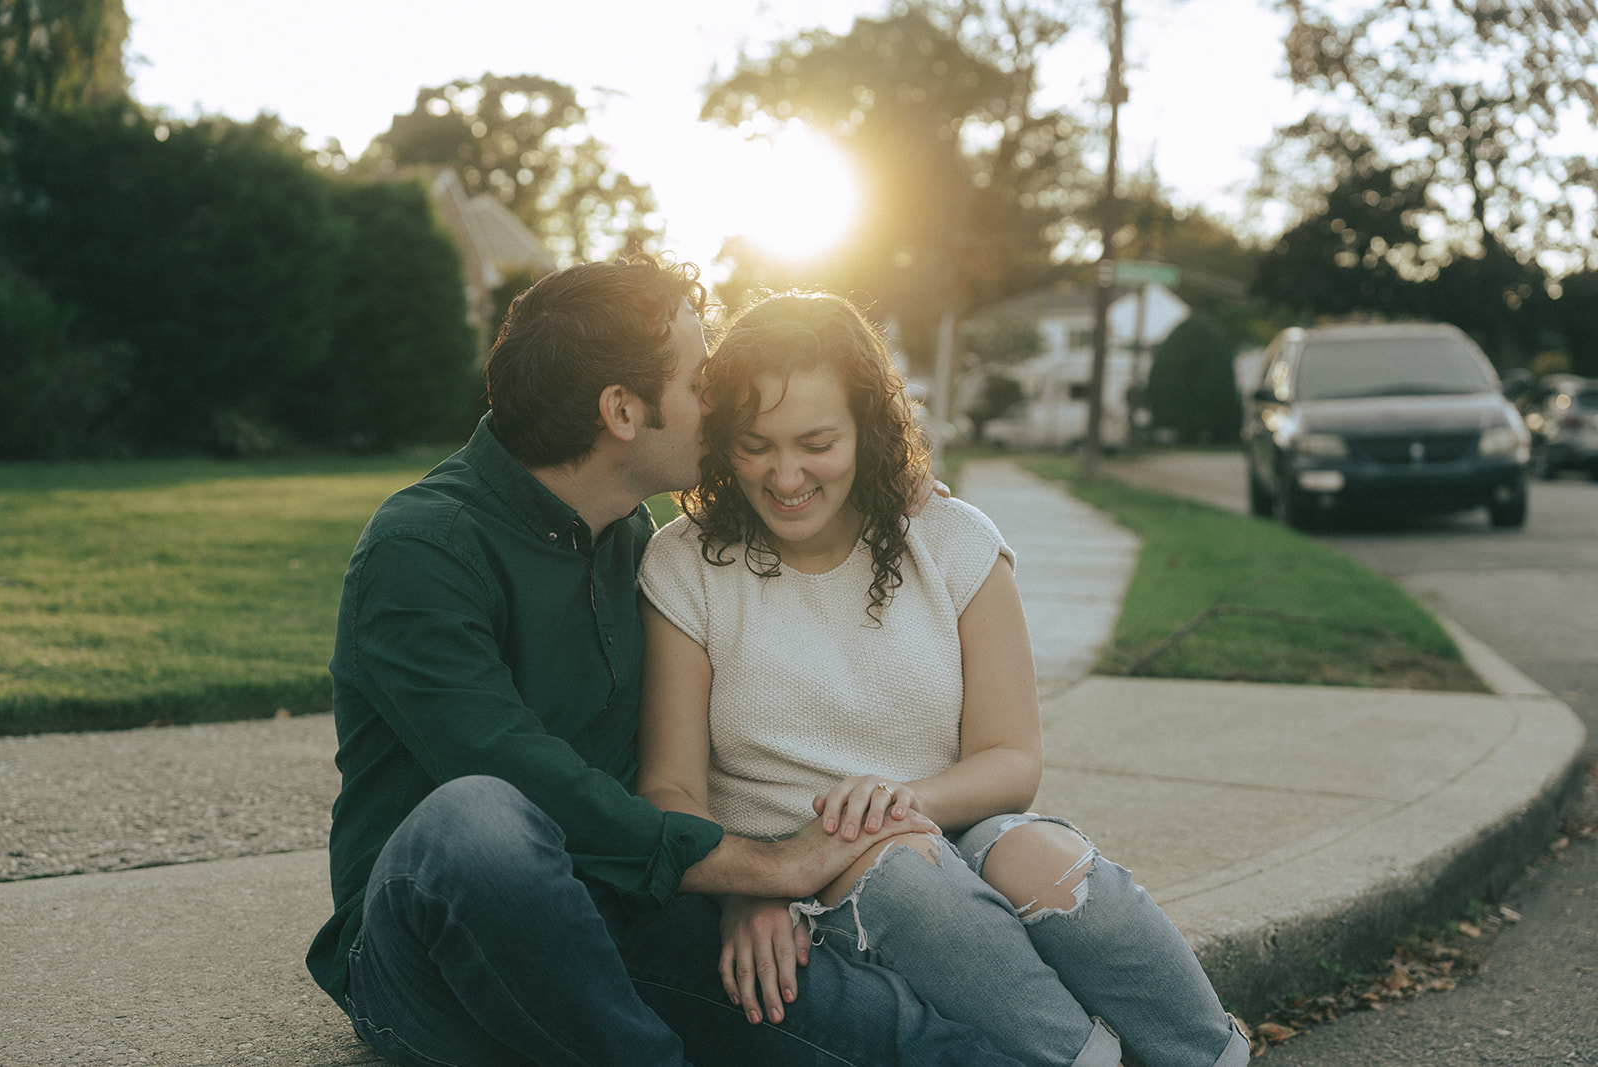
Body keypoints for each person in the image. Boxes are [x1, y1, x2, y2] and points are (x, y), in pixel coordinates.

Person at [304, 258, 1029, 1066]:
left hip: (619, 913)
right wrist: (763, 864)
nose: (721, 397)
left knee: (878, 1027)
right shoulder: (422, 548)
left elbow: (681, 758)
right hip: (436, 956)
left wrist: (737, 888)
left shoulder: (634, 542)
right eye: (699, 379)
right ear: (621, 410)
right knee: (478, 816)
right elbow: (515, 767)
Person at [636, 291, 1251, 1067]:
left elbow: (1011, 759)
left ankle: (1214, 1058)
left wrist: (896, 804)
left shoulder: (953, 539)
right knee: (897, 874)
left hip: (954, 831)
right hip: (810, 880)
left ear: (869, 428)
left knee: (1041, 858)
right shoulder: (685, 562)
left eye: (817, 441)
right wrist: (748, 883)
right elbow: (670, 794)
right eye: (755, 444)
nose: (785, 474)